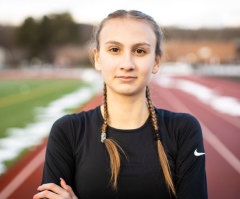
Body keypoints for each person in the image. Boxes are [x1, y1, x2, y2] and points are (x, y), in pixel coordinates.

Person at [33, 10, 208, 199]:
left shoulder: (183, 130)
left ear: (156, 61)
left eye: (140, 51)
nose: (127, 64)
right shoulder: (68, 131)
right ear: (98, 58)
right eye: (114, 50)